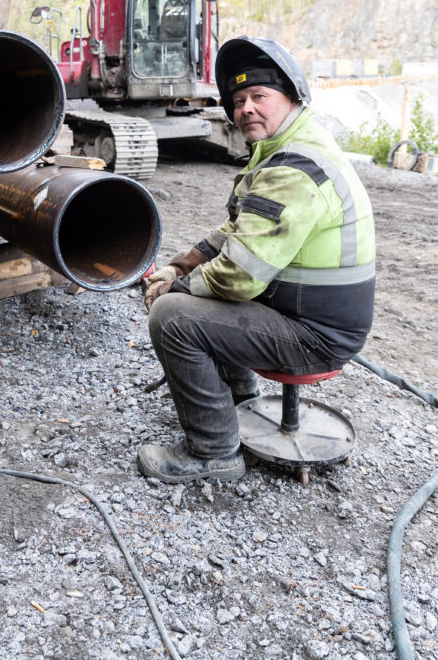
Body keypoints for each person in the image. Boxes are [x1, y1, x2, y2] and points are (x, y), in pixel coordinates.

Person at [138, 36, 375, 484]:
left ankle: (213, 452)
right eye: (239, 100)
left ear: (291, 98)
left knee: (173, 316)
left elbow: (241, 276)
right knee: (204, 299)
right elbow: (235, 234)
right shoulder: (283, 151)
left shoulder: (293, 168)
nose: (246, 107)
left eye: (260, 97)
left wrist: (177, 288)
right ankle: (241, 396)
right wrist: (180, 265)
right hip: (306, 315)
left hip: (316, 334)